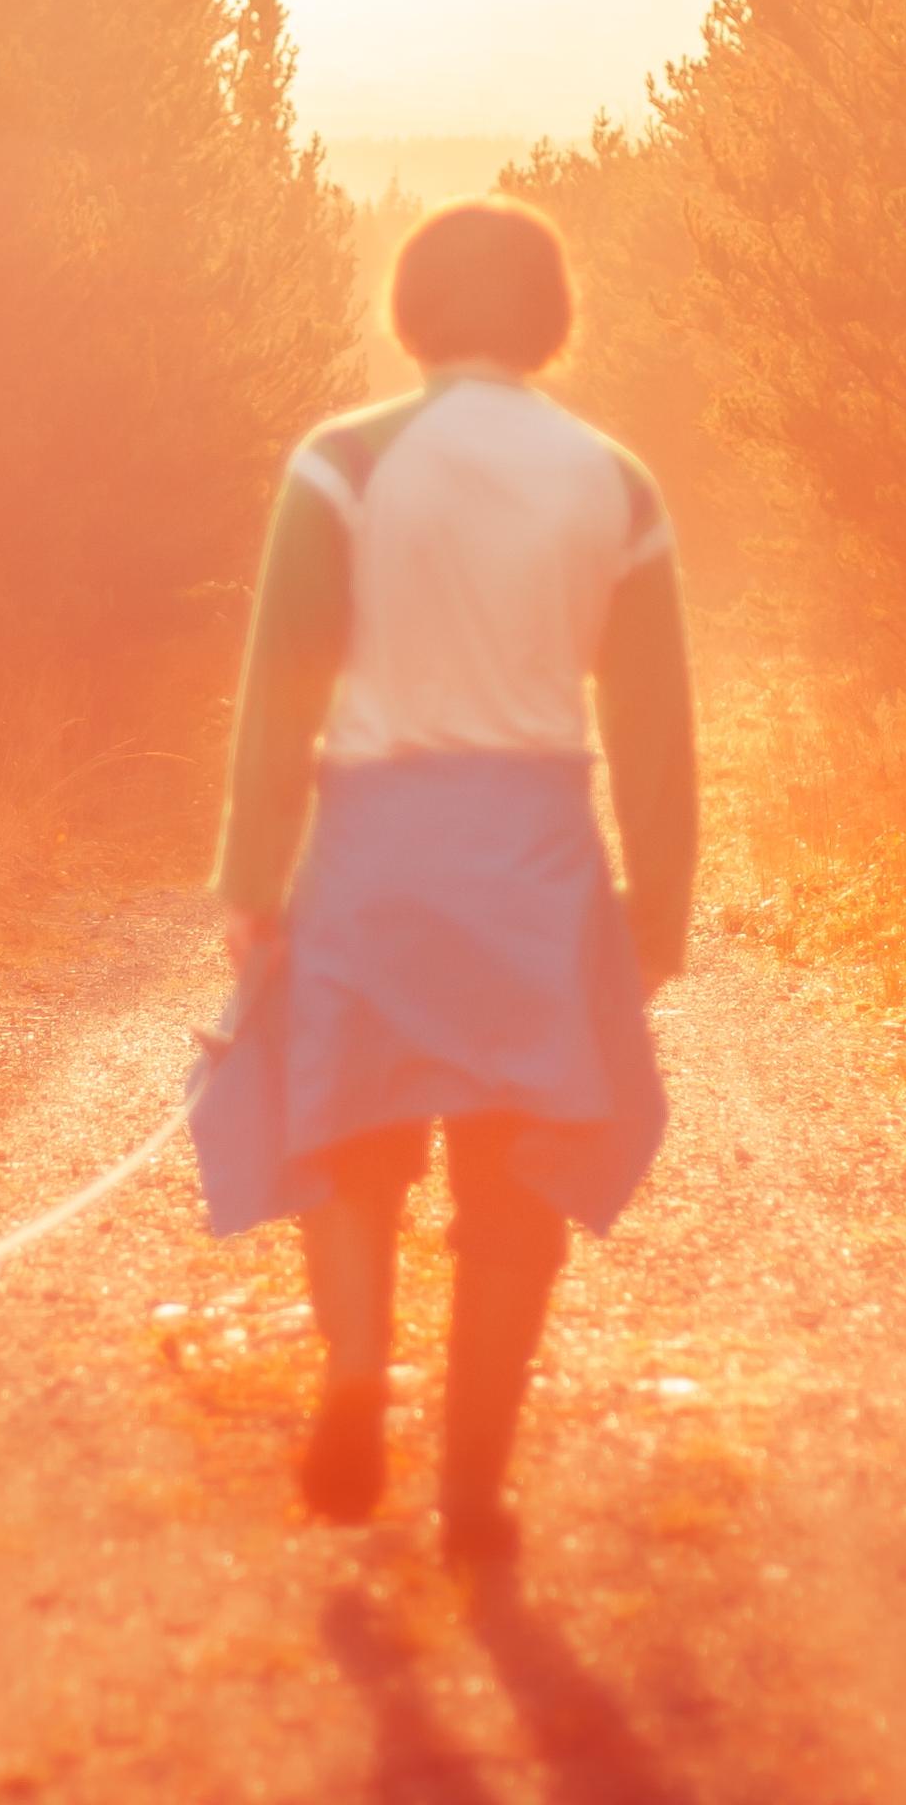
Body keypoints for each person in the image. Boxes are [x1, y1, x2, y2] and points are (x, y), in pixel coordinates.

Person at [189, 195, 697, 1569]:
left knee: (353, 1141)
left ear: (412, 312)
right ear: (551, 316)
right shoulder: (615, 481)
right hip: (531, 855)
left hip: (376, 851)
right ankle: (473, 1491)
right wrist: (660, 910)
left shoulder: (340, 467)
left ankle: (356, 1371)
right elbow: (654, 719)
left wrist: (251, 873)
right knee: (513, 1181)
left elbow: (280, 690)